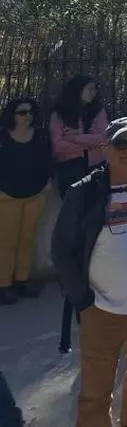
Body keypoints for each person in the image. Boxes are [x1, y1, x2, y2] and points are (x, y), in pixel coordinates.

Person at [51, 117, 127, 427]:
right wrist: (82, 300)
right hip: (101, 311)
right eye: (121, 143)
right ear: (105, 148)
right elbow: (62, 250)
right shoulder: (83, 193)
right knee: (95, 395)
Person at [0, 97, 53, 304]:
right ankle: (4, 284)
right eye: (22, 112)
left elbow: (49, 159)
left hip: (36, 194)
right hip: (7, 196)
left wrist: (47, 182)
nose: (27, 116)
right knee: (7, 240)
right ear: (12, 115)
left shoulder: (41, 135)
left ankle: (22, 279)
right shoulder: (3, 136)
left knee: (28, 238)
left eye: (30, 112)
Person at [50, 75, 109, 197]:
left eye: (95, 89)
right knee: (72, 202)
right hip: (69, 166)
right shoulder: (60, 113)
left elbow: (104, 137)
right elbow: (57, 145)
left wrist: (75, 138)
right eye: (89, 89)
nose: (93, 93)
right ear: (78, 90)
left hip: (96, 166)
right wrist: (88, 145)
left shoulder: (98, 111)